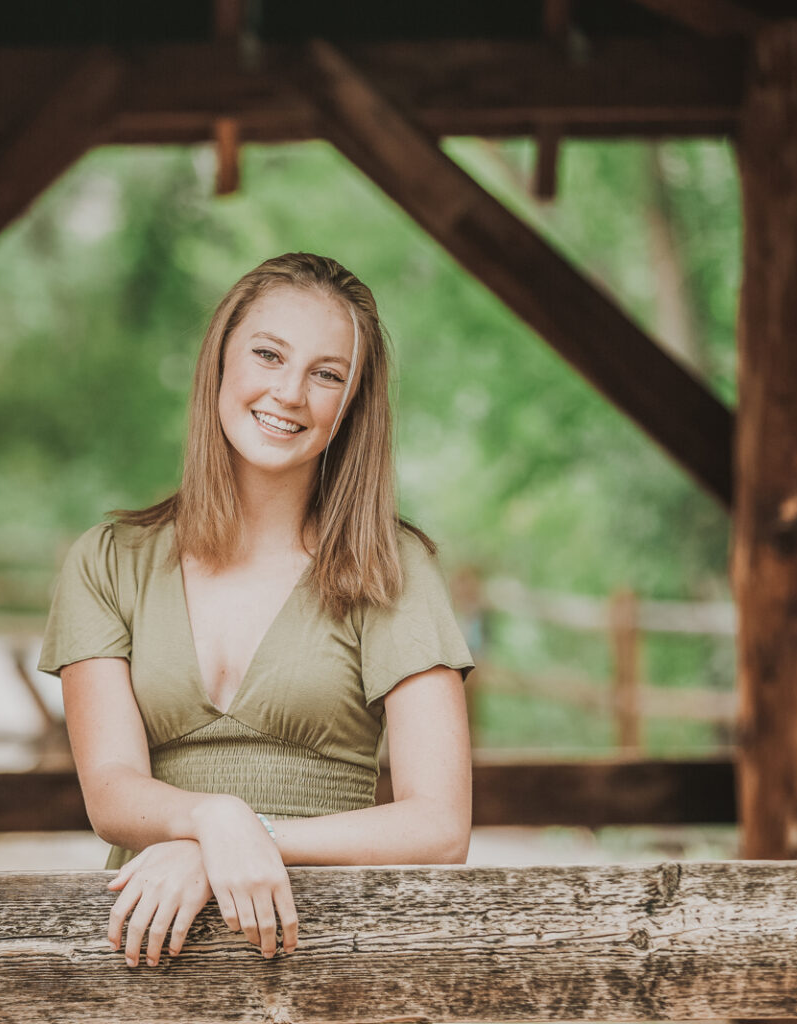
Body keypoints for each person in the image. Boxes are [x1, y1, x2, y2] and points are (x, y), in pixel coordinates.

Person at [37, 252, 474, 970]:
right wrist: (213, 820)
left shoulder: (391, 569)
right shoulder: (107, 561)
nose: (291, 392)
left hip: (331, 948)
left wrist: (239, 842)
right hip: (146, 952)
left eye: (327, 374)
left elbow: (439, 826)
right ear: (218, 364)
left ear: (353, 403)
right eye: (268, 354)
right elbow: (111, 792)